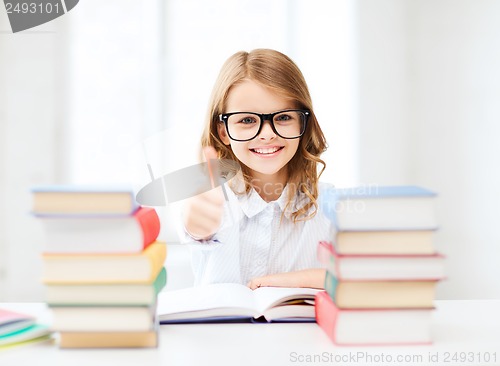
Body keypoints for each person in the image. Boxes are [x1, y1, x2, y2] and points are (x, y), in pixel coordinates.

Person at [182, 49, 335, 289]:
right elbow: (196, 226)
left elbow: (357, 280)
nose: (267, 134)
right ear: (223, 132)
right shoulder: (211, 198)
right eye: (247, 120)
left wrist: (278, 283)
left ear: (303, 124)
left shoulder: (329, 205)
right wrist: (199, 225)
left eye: (283, 117)